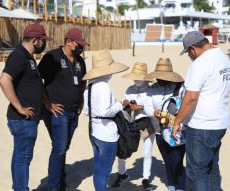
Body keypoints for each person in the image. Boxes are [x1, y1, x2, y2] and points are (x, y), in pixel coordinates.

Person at [172, 31, 230, 191]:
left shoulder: (200, 63)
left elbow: (191, 97)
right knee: (212, 167)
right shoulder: (223, 58)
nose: (190, 56)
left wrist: (177, 122)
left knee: (196, 172)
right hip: (220, 122)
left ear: (193, 49)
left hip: (202, 125)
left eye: (188, 53)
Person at [0, 23, 51, 191]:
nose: (44, 44)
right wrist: (20, 108)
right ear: (35, 40)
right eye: (43, 40)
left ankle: (18, 188)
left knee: (20, 156)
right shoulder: (20, 55)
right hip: (22, 119)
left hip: (26, 119)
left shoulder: (27, 57)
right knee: (23, 158)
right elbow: (4, 80)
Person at [38, 28, 89, 191]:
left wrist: (81, 100)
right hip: (57, 111)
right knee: (59, 148)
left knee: (63, 147)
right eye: (79, 44)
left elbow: (83, 82)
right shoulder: (52, 57)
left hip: (74, 112)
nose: (82, 47)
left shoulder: (80, 61)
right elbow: (37, 80)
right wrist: (47, 103)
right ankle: (53, 186)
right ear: (68, 42)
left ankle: (60, 180)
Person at [83, 50, 128, 191]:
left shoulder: (89, 86)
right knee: (104, 173)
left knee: (98, 170)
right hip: (106, 135)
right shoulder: (103, 86)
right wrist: (121, 104)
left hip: (93, 131)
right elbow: (105, 111)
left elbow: (86, 111)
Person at [112, 62, 155, 190]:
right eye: (134, 77)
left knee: (147, 152)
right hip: (130, 124)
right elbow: (125, 105)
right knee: (123, 148)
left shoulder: (151, 90)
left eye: (138, 77)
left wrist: (140, 107)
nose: (135, 79)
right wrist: (125, 104)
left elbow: (153, 107)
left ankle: (146, 179)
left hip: (147, 123)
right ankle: (122, 174)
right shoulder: (129, 89)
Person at [146, 58, 186, 191]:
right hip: (159, 131)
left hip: (176, 131)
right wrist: (153, 111)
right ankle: (171, 186)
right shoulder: (152, 89)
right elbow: (147, 105)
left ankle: (180, 186)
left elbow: (186, 106)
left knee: (176, 162)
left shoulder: (180, 88)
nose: (160, 80)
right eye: (158, 77)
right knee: (168, 161)